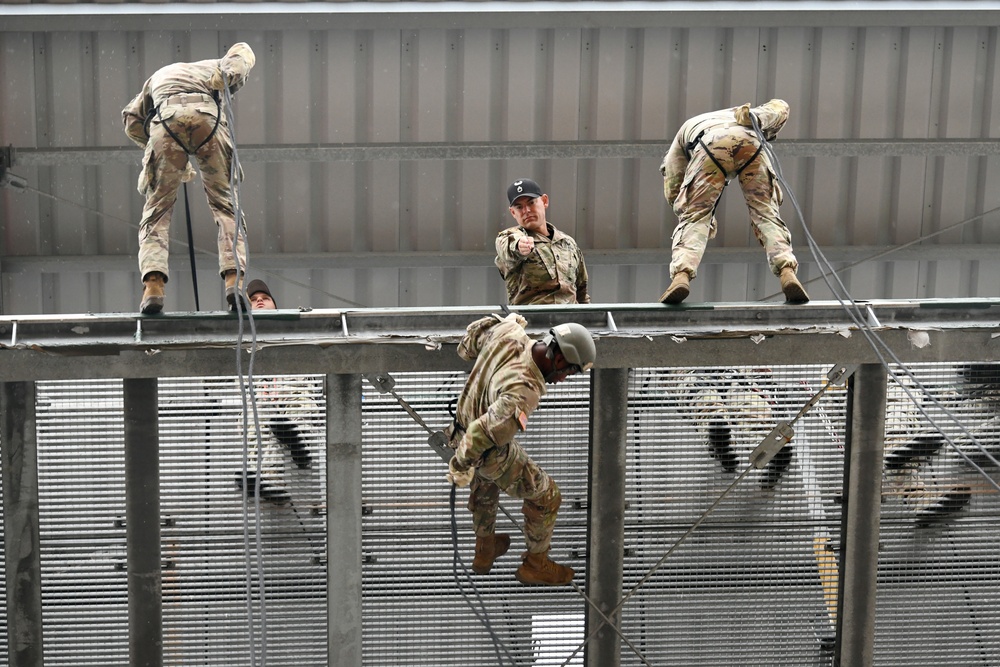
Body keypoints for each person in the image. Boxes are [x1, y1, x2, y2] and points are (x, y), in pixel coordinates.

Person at [445, 313, 596, 586]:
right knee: (548, 496)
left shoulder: (510, 331)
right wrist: (459, 466)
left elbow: (467, 345)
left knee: (485, 483)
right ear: (559, 359)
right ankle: (536, 565)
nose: (564, 380)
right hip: (480, 448)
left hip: (459, 428)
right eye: (570, 372)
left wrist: (507, 322)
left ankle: (484, 551)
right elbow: (483, 434)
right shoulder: (525, 389)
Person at [122, 42, 256, 314]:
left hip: (164, 119)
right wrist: (226, 77)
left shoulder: (157, 77)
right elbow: (243, 53)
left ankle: (153, 286)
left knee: (157, 209)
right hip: (208, 115)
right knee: (226, 205)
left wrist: (164, 149)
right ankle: (234, 281)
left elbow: (132, 120)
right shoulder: (214, 64)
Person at [658, 99, 809, 305]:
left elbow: (673, 178)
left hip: (708, 143)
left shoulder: (689, 126)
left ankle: (681, 276)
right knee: (765, 213)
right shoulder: (744, 115)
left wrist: (695, 210)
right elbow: (781, 106)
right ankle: (787, 272)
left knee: (694, 217)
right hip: (751, 142)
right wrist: (753, 120)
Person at [234, 278, 317, 505]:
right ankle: (271, 480)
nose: (259, 301)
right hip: (260, 387)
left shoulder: (291, 329)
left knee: (298, 400)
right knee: (255, 419)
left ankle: (302, 446)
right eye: (254, 300)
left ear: (275, 306)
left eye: (265, 298)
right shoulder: (241, 337)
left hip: (289, 375)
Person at [495, 178, 590, 305]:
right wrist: (519, 245)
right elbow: (507, 246)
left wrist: (588, 318)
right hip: (532, 320)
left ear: (544, 201)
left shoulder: (568, 244)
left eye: (531, 203)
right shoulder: (508, 237)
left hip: (570, 319)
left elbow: (582, 291)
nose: (526, 211)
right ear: (513, 212)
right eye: (519, 207)